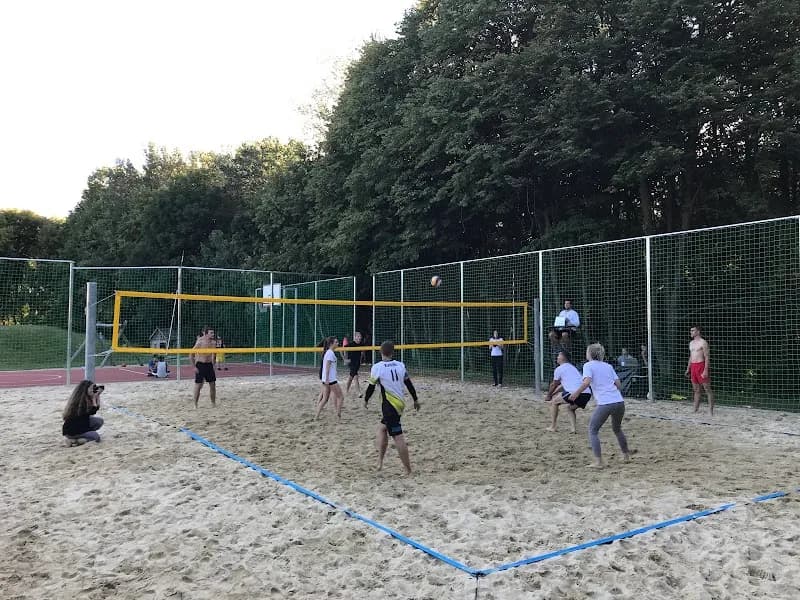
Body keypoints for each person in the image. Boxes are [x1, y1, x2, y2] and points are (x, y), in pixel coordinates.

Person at [364, 340, 420, 475]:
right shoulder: (400, 365)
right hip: (400, 403)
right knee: (382, 429)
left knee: (398, 437)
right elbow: (409, 383)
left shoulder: (378, 367)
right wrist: (415, 399)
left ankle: (408, 470)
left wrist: (365, 399)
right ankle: (380, 462)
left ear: (380, 352)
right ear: (393, 352)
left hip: (389, 405)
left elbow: (371, 387)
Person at [570, 343, 630, 468]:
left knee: (593, 430)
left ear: (590, 354)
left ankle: (599, 461)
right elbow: (618, 384)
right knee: (617, 429)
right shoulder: (608, 366)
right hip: (619, 401)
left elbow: (587, 382)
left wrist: (576, 393)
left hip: (605, 403)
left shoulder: (588, 365)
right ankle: (626, 455)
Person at [545, 350, 591, 433]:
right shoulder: (572, 368)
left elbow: (553, 384)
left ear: (563, 358)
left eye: (558, 355)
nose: (557, 357)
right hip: (587, 394)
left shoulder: (559, 369)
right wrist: (553, 393)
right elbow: (562, 384)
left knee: (554, 402)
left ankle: (553, 426)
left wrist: (549, 395)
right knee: (570, 408)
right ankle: (573, 429)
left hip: (574, 393)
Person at [62, 380, 104, 445]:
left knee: (99, 421)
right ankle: (77, 440)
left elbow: (96, 408)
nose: (92, 390)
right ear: (85, 389)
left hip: (80, 426)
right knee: (96, 437)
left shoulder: (84, 398)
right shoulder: (80, 403)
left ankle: (78, 438)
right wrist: (94, 397)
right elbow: (93, 411)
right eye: (91, 388)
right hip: (73, 431)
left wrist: (97, 395)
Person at [685, 325, 714, 415]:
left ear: (698, 332)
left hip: (701, 366)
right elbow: (691, 356)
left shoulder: (703, 342)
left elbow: (707, 357)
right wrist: (688, 368)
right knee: (696, 390)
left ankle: (710, 410)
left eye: (693, 330)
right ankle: (695, 409)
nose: (691, 332)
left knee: (707, 389)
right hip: (693, 367)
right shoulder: (691, 343)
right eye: (691, 331)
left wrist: (705, 370)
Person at [315, 336, 344, 420]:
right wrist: (327, 379)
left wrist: (325, 379)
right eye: (336, 342)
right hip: (330, 380)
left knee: (325, 399)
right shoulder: (330, 353)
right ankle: (338, 415)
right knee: (341, 397)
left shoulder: (328, 352)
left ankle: (316, 416)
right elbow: (327, 366)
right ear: (331, 344)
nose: (338, 343)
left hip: (326, 380)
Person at [189, 326, 217, 408]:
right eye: (211, 333)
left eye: (213, 332)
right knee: (198, 385)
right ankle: (195, 404)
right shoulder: (200, 342)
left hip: (209, 365)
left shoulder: (213, 343)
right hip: (200, 365)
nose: (213, 334)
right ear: (206, 333)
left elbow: (214, 354)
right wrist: (194, 367)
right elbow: (190, 355)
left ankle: (213, 403)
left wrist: (214, 364)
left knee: (212, 385)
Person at [342, 331, 365, 398]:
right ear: (354, 337)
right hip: (351, 363)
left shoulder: (362, 344)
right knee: (355, 377)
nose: (359, 338)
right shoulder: (351, 344)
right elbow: (342, 349)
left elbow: (362, 353)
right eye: (358, 336)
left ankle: (346, 390)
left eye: (360, 336)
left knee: (351, 377)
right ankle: (358, 392)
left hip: (357, 363)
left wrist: (361, 359)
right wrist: (345, 359)